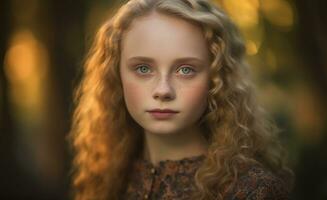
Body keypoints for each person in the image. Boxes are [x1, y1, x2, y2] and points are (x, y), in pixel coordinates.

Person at [68, 0, 294, 199]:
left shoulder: (251, 191)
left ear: (215, 78)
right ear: (116, 75)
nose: (163, 90)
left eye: (185, 70)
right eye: (143, 68)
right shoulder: (107, 180)